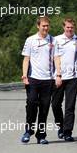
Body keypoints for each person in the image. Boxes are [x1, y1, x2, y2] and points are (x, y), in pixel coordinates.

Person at [20, 16, 55, 144]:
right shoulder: (30, 40)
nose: (45, 28)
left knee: (44, 108)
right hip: (33, 79)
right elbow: (26, 59)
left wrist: (58, 75)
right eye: (43, 26)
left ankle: (41, 135)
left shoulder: (53, 40)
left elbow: (56, 59)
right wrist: (24, 75)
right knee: (31, 104)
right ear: (38, 26)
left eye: (47, 26)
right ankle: (28, 131)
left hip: (48, 80)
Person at [52, 17, 77, 141]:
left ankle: (67, 132)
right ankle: (60, 126)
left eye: (71, 27)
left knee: (70, 106)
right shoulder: (56, 40)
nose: (69, 29)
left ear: (74, 28)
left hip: (73, 77)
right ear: (63, 27)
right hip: (58, 76)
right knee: (55, 104)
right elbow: (53, 58)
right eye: (67, 27)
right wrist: (57, 75)